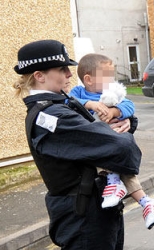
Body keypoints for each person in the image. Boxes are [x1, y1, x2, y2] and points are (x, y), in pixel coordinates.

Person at [13, 39, 142, 249]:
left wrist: (125, 121)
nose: (70, 74)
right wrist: (119, 132)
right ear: (39, 76)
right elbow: (122, 148)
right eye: (62, 69)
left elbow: (108, 129)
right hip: (84, 216)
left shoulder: (61, 104)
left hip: (93, 210)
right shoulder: (51, 115)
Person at [70, 53, 154, 229]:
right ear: (89, 79)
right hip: (101, 143)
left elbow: (129, 105)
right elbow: (69, 101)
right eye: (107, 76)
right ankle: (146, 202)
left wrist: (115, 112)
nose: (112, 80)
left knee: (115, 163)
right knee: (126, 173)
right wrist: (90, 104)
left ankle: (117, 186)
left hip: (114, 141)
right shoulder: (78, 93)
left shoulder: (113, 92)